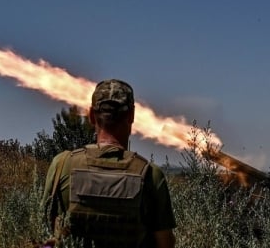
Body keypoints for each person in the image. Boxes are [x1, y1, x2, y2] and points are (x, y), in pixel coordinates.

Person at [42, 79, 176, 248]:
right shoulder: (150, 175)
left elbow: (45, 225)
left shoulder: (62, 165)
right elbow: (165, 244)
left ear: (91, 115)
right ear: (132, 116)